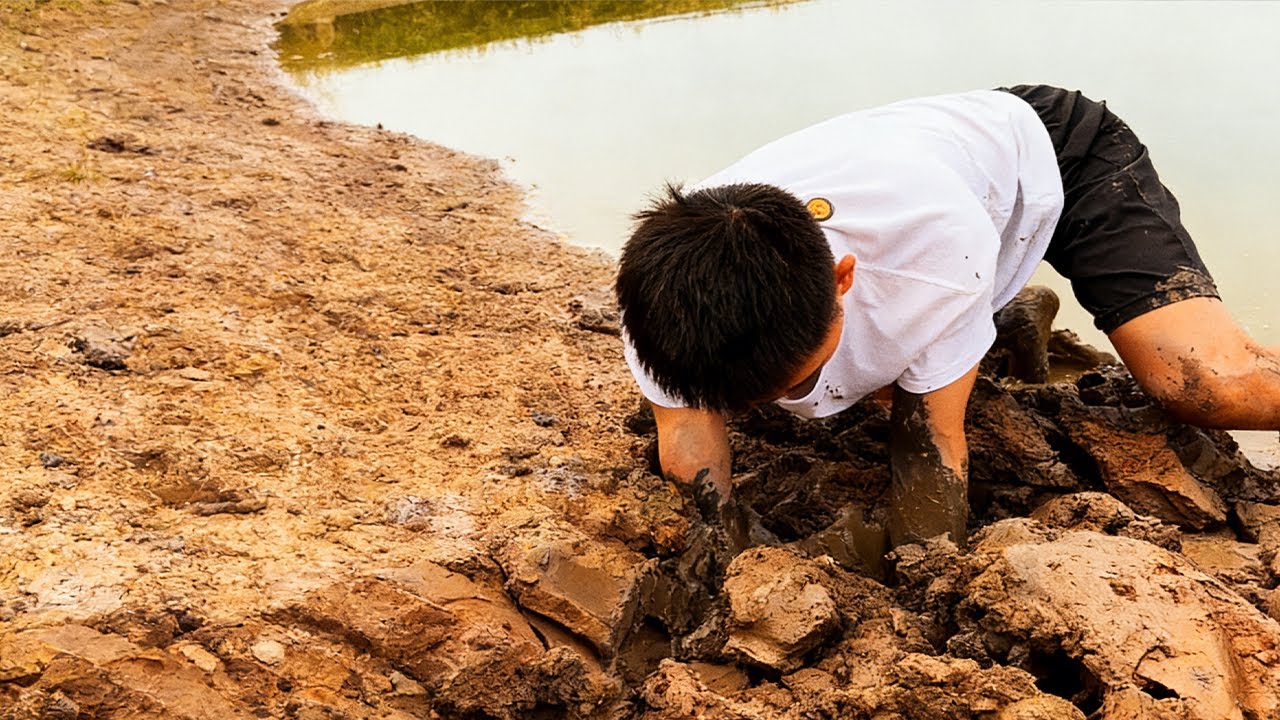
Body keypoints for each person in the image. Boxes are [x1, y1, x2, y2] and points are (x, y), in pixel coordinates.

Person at [615, 85, 1280, 549]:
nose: (795, 402)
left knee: (1204, 385)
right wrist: (724, 544)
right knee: (874, 359)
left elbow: (929, 446)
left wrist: (923, 573)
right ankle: (1004, 314)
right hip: (940, 183)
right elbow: (686, 431)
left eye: (801, 378)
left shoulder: (932, 255)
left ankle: (984, 312)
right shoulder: (664, 288)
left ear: (843, 279)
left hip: (1057, 155)